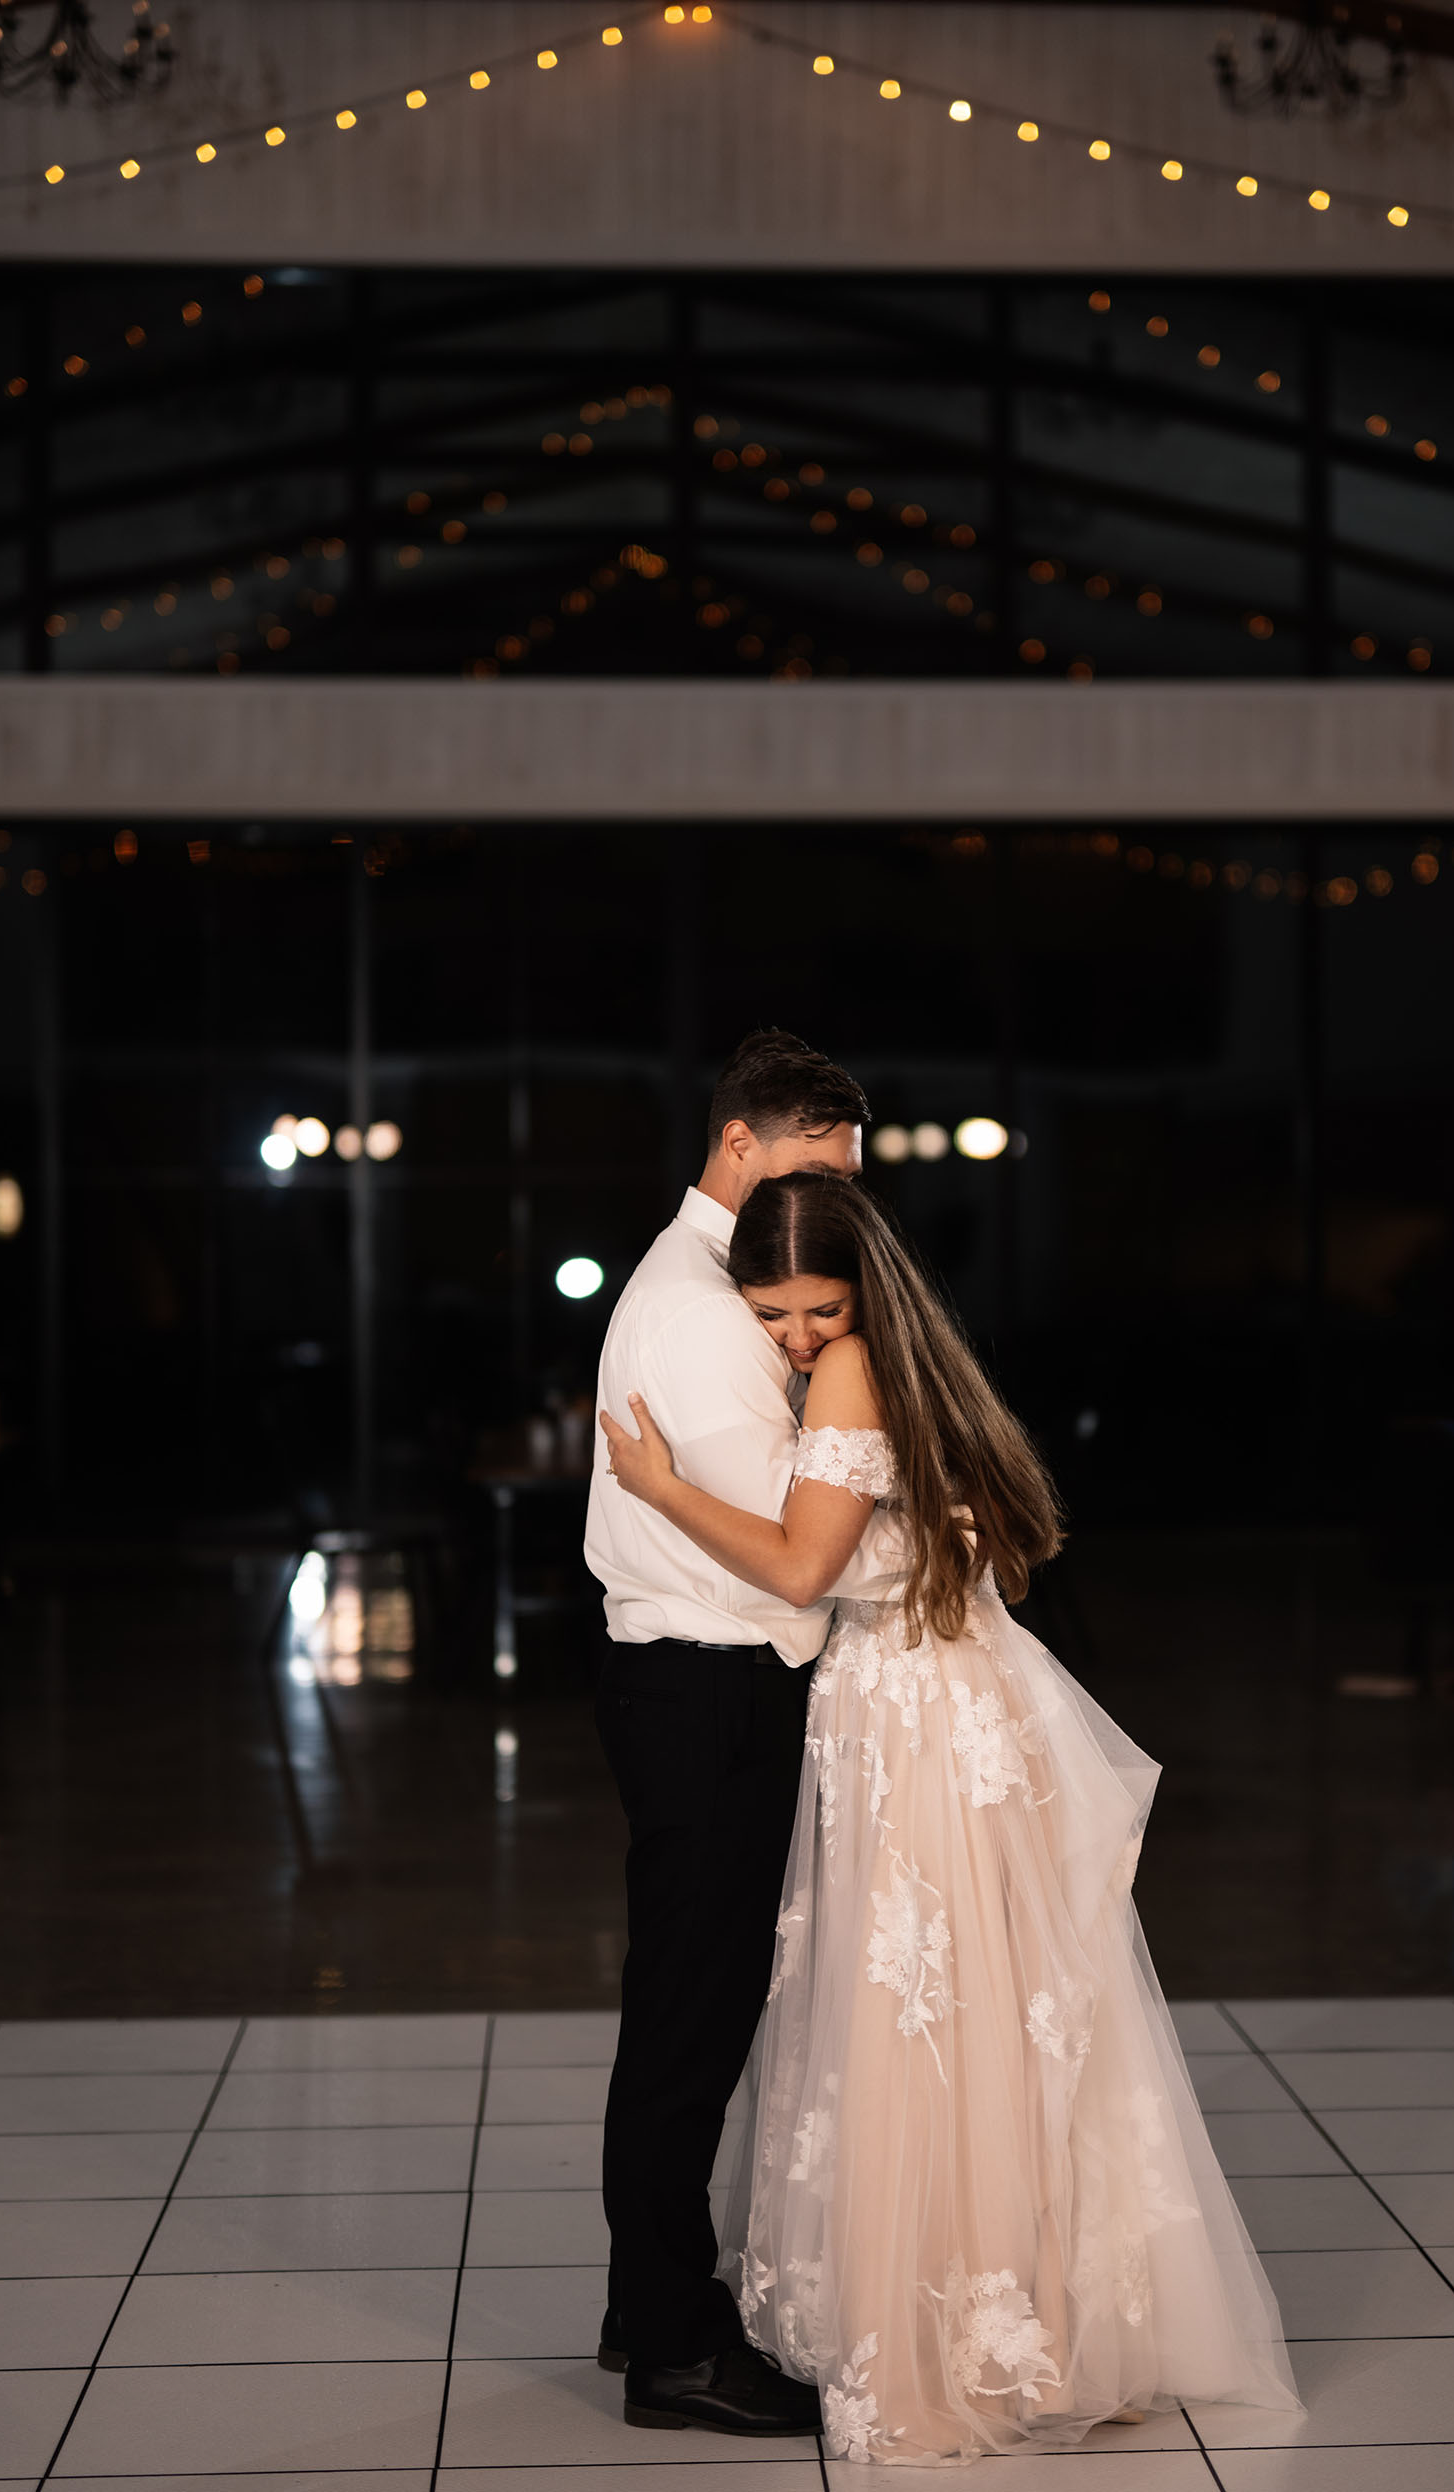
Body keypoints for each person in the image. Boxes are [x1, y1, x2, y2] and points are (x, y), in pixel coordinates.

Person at [599, 1169, 1302, 2464]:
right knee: (979, 2012)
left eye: (817, 1306)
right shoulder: (904, 1362)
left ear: (861, 1287)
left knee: (928, 2017)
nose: (800, 1334)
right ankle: (1022, 2304)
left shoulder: (857, 1371)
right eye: (775, 1312)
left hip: (917, 1718)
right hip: (934, 1702)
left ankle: (969, 2321)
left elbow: (808, 1566)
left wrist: (656, 1485)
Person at [583, 1031, 909, 2438]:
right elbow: (795, 1550)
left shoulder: (726, 1287)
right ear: (741, 1146)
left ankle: (642, 2308)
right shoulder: (696, 1311)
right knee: (686, 2020)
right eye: (818, 1167)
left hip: (711, 1683)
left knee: (697, 2005)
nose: (836, 1198)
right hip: (705, 1689)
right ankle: (670, 2349)